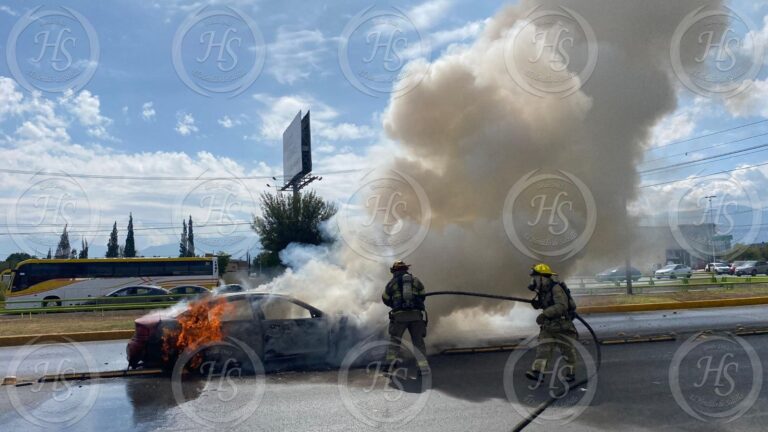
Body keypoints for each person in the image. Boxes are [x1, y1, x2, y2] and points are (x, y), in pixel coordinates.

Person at [525, 263, 578, 383]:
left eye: (535, 278)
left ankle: (571, 373)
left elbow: (561, 306)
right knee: (543, 349)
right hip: (549, 326)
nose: (533, 280)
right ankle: (538, 373)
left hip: (563, 325)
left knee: (567, 351)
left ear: (543, 277)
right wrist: (538, 304)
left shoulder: (556, 288)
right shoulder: (543, 290)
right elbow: (547, 304)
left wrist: (544, 314)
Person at [382, 260, 430, 375]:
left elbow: (385, 299)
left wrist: (395, 304)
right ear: (406, 269)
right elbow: (423, 295)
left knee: (395, 342)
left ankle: (388, 367)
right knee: (418, 343)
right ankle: (422, 369)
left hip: (399, 317)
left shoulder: (391, 283)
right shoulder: (416, 281)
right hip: (416, 316)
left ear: (394, 271)